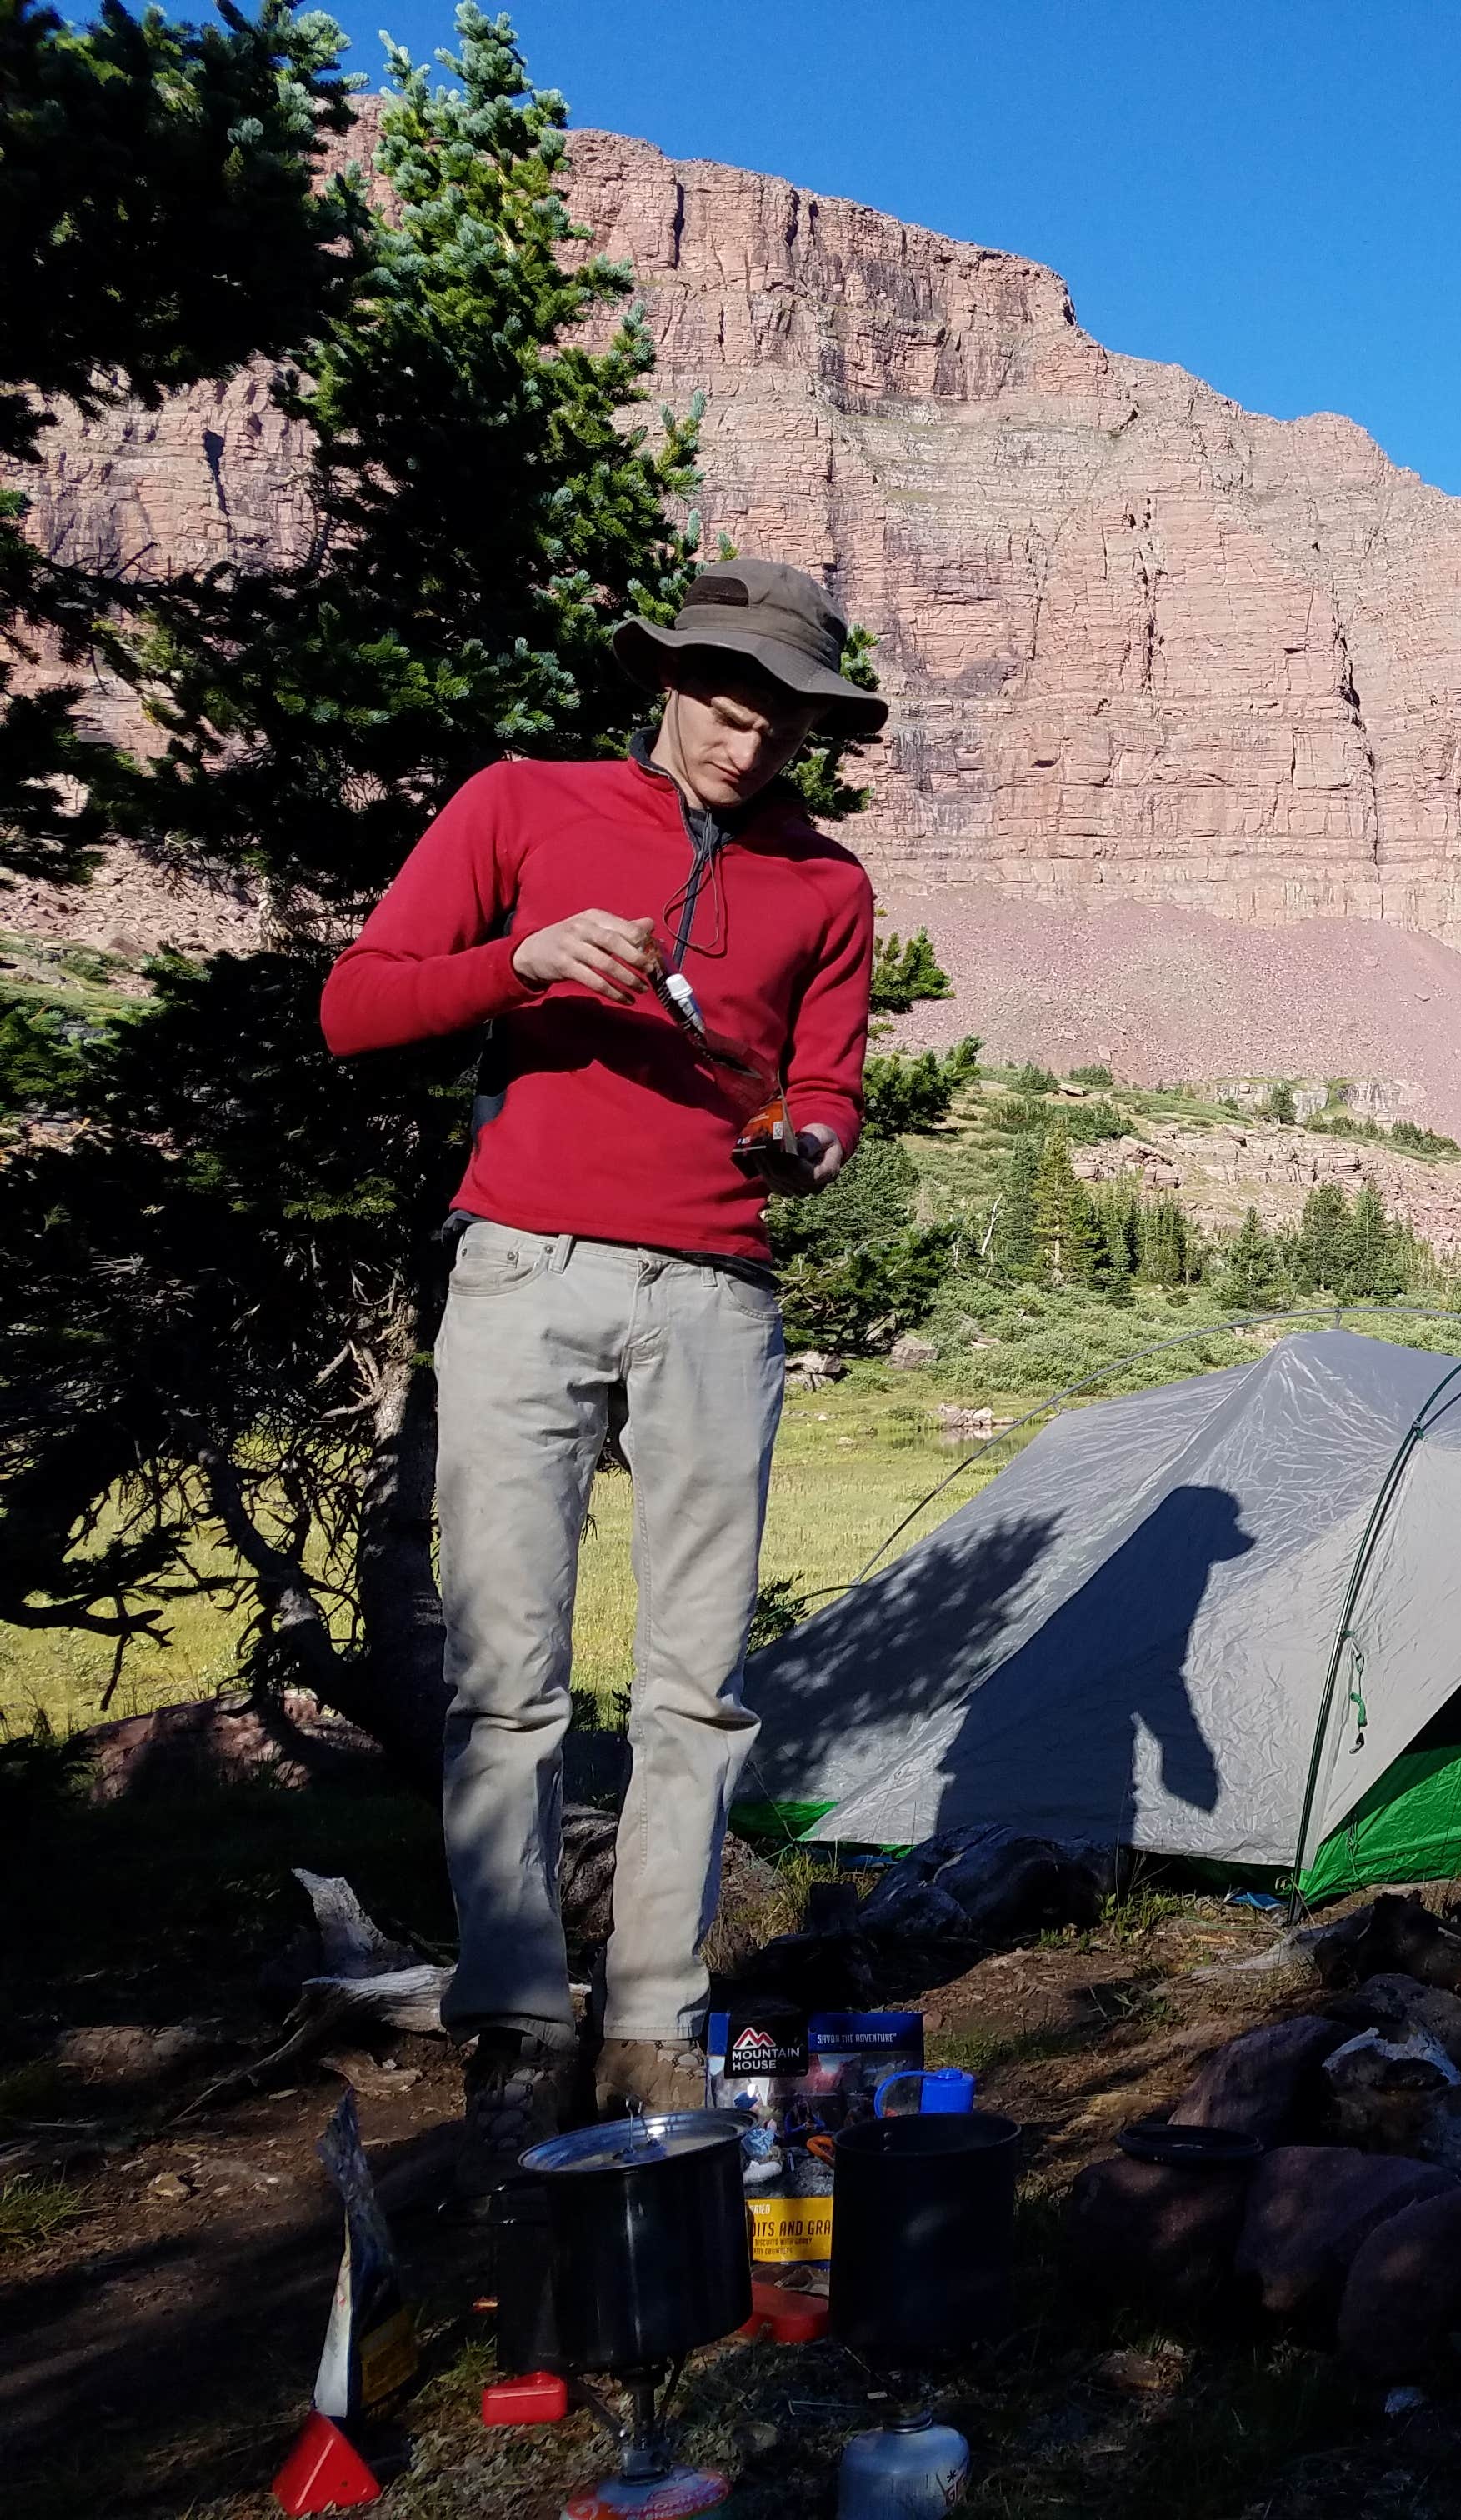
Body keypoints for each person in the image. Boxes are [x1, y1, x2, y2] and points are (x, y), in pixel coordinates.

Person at [320, 560, 886, 2184]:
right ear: (675, 676)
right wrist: (524, 961)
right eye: (729, 694)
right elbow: (356, 1010)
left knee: (699, 1686)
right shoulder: (525, 804)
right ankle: (514, 2022)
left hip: (718, 1290)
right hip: (526, 1271)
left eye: (783, 712)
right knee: (510, 1675)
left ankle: (651, 2018)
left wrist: (815, 1139)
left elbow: (832, 1083)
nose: (748, 733)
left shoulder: (827, 886)